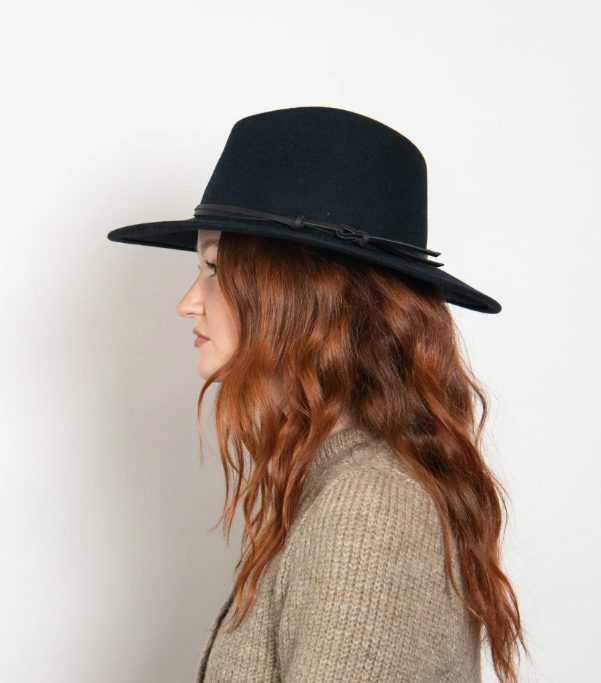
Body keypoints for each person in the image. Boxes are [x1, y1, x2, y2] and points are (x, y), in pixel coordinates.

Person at [107, 106, 527, 683]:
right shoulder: (334, 480)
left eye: (215, 268)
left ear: (309, 293)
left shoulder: (370, 505)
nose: (187, 303)